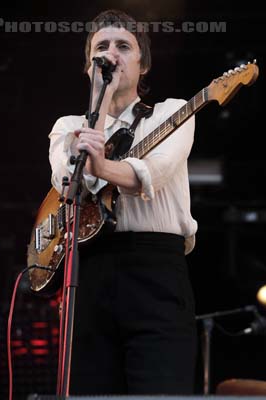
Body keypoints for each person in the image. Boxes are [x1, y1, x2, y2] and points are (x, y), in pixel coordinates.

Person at [48, 9, 197, 395]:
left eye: (123, 46)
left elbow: (151, 174)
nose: (111, 55)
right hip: (90, 269)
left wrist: (101, 164)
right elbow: (70, 183)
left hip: (155, 270)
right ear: (88, 65)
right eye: (101, 47)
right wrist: (101, 105)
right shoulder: (68, 127)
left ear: (142, 63)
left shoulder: (171, 113)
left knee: (161, 387)